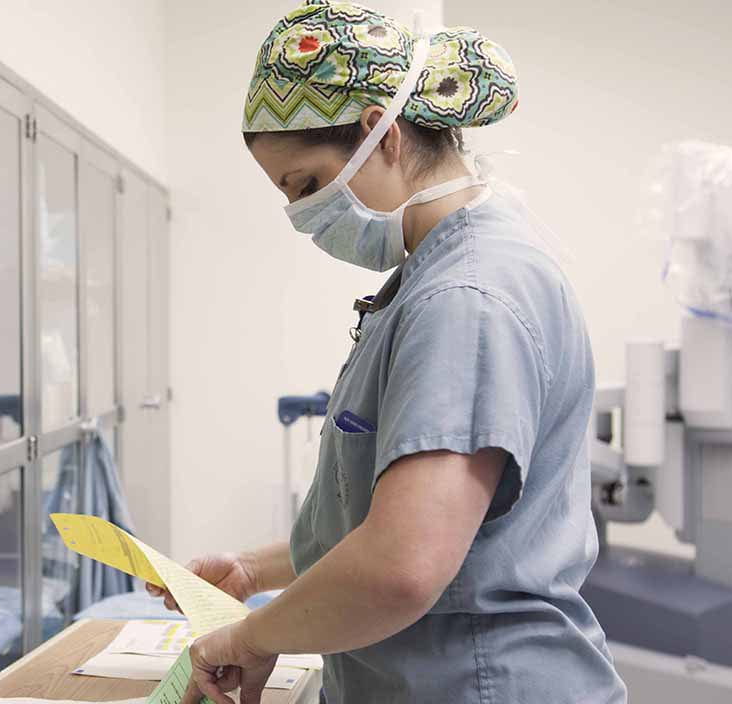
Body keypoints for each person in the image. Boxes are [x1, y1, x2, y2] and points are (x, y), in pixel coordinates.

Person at [147, 2, 628, 702]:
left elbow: (403, 565)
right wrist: (254, 572)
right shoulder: (439, 274)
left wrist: (247, 638)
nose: (304, 217)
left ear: (383, 134)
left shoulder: (468, 295)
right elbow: (403, 524)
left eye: (307, 186)